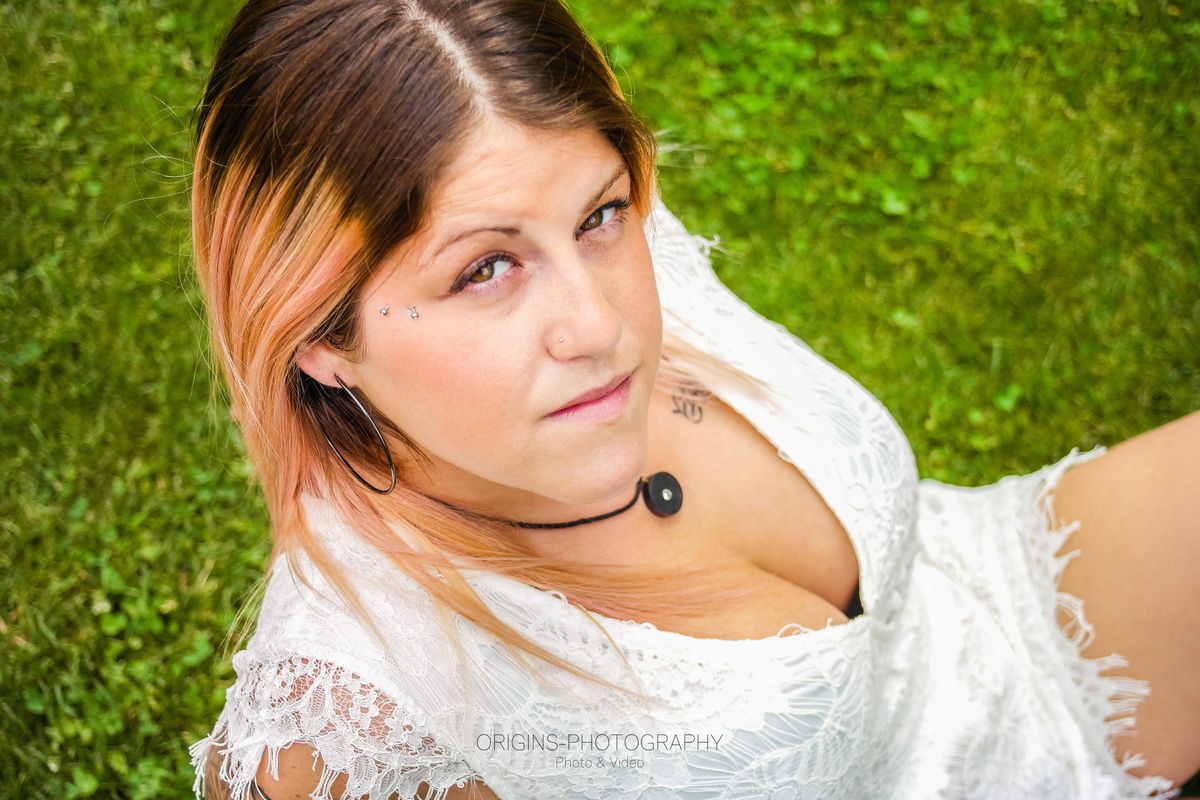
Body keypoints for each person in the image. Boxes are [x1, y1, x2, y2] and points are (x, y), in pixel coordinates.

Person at [186, 1, 1200, 798]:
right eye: (485, 269)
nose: (601, 325)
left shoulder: (612, 234)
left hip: (1002, 612)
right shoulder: (349, 717)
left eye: (600, 213)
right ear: (320, 340)